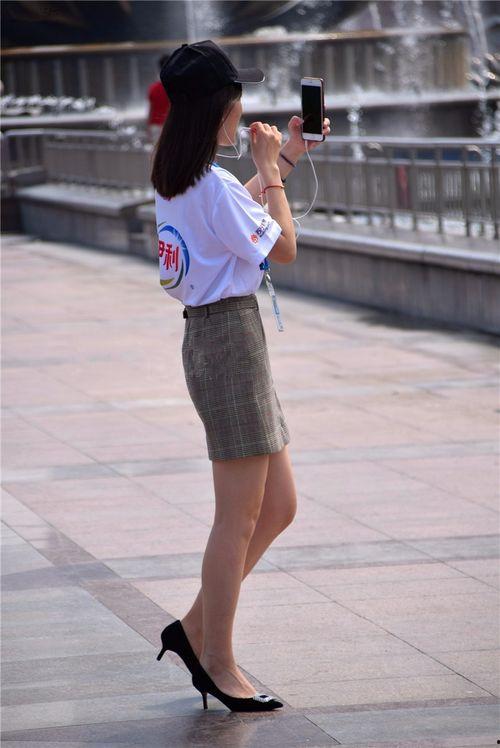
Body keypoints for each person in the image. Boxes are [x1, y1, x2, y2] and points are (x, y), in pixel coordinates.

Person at [151, 39, 330, 712]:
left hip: (223, 337)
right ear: (219, 105)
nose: (243, 105)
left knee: (278, 505)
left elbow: (235, 219)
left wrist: (286, 157)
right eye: (237, 94)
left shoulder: (182, 177)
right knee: (238, 516)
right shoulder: (211, 181)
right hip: (227, 341)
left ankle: (195, 629)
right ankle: (217, 662)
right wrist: (270, 171)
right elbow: (283, 247)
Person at [147, 53, 171, 142]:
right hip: (171, 125)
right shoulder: (176, 88)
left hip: (156, 126)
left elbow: (151, 109)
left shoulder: (153, 88)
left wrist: (148, 126)